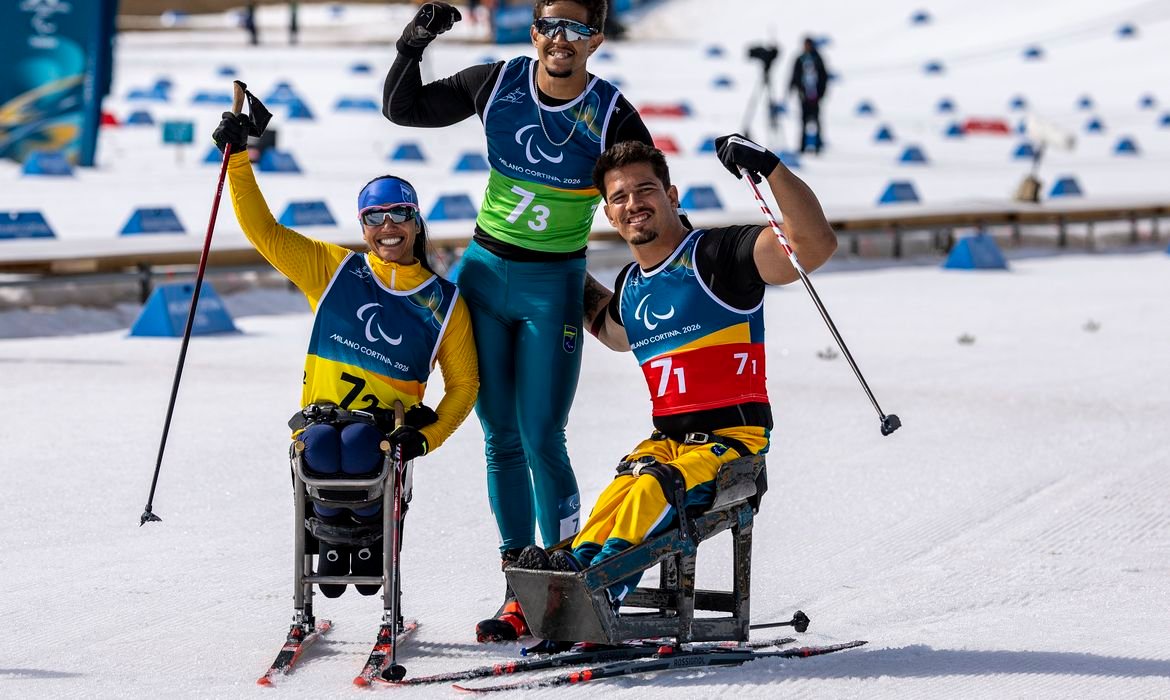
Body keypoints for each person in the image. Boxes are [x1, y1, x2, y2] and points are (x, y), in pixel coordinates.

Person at [383, 0, 653, 641]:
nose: (562, 38)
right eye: (551, 25)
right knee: (499, 437)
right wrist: (411, 45)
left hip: (552, 287)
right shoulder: (496, 82)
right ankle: (516, 587)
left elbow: (645, 193)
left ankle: (564, 575)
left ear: (596, 40)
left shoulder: (611, 112)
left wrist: (683, 264)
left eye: (577, 28)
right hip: (484, 278)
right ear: (535, 33)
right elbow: (405, 108)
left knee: (541, 435)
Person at [513, 135, 838, 610]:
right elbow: (609, 327)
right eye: (618, 197)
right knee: (621, 491)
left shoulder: (718, 256)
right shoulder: (631, 285)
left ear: (671, 196)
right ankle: (568, 574)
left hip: (733, 446)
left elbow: (815, 245)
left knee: (652, 488)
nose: (632, 204)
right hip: (667, 446)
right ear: (608, 214)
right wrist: (555, 262)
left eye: (644, 190)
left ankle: (593, 593)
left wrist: (770, 168)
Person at [212, 105, 479, 598]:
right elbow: (265, 233)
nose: (388, 225)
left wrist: (428, 438)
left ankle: (364, 539)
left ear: (417, 222)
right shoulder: (334, 269)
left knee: (358, 445)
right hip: (322, 420)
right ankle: (332, 539)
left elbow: (464, 387)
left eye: (400, 213)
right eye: (374, 217)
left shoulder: (444, 302)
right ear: (363, 228)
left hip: (380, 431)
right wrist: (238, 160)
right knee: (318, 447)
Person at [789, 37, 829, 154]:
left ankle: (817, 145)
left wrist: (821, 93)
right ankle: (802, 146)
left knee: (816, 121)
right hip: (803, 96)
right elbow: (794, 75)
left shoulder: (818, 59)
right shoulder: (800, 59)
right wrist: (792, 89)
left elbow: (823, 77)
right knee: (803, 122)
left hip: (815, 96)